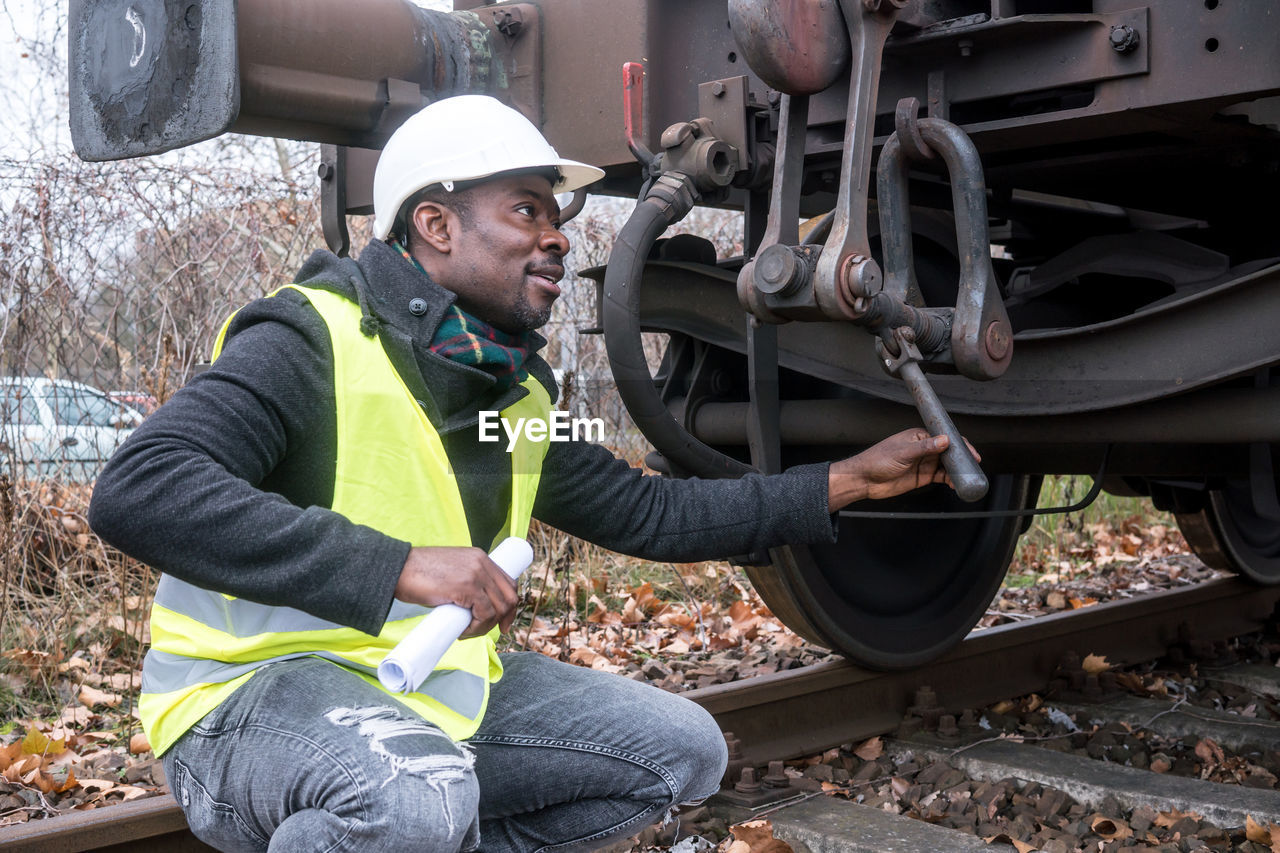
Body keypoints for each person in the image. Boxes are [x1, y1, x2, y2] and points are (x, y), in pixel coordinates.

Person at [89, 94, 966, 853]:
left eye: (558, 218)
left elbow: (644, 512)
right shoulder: (307, 339)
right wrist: (401, 564)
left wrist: (845, 482)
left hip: (419, 693)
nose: (556, 239)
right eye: (525, 212)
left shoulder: (510, 391)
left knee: (684, 751)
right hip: (247, 698)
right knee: (417, 801)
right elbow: (141, 487)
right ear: (435, 225)